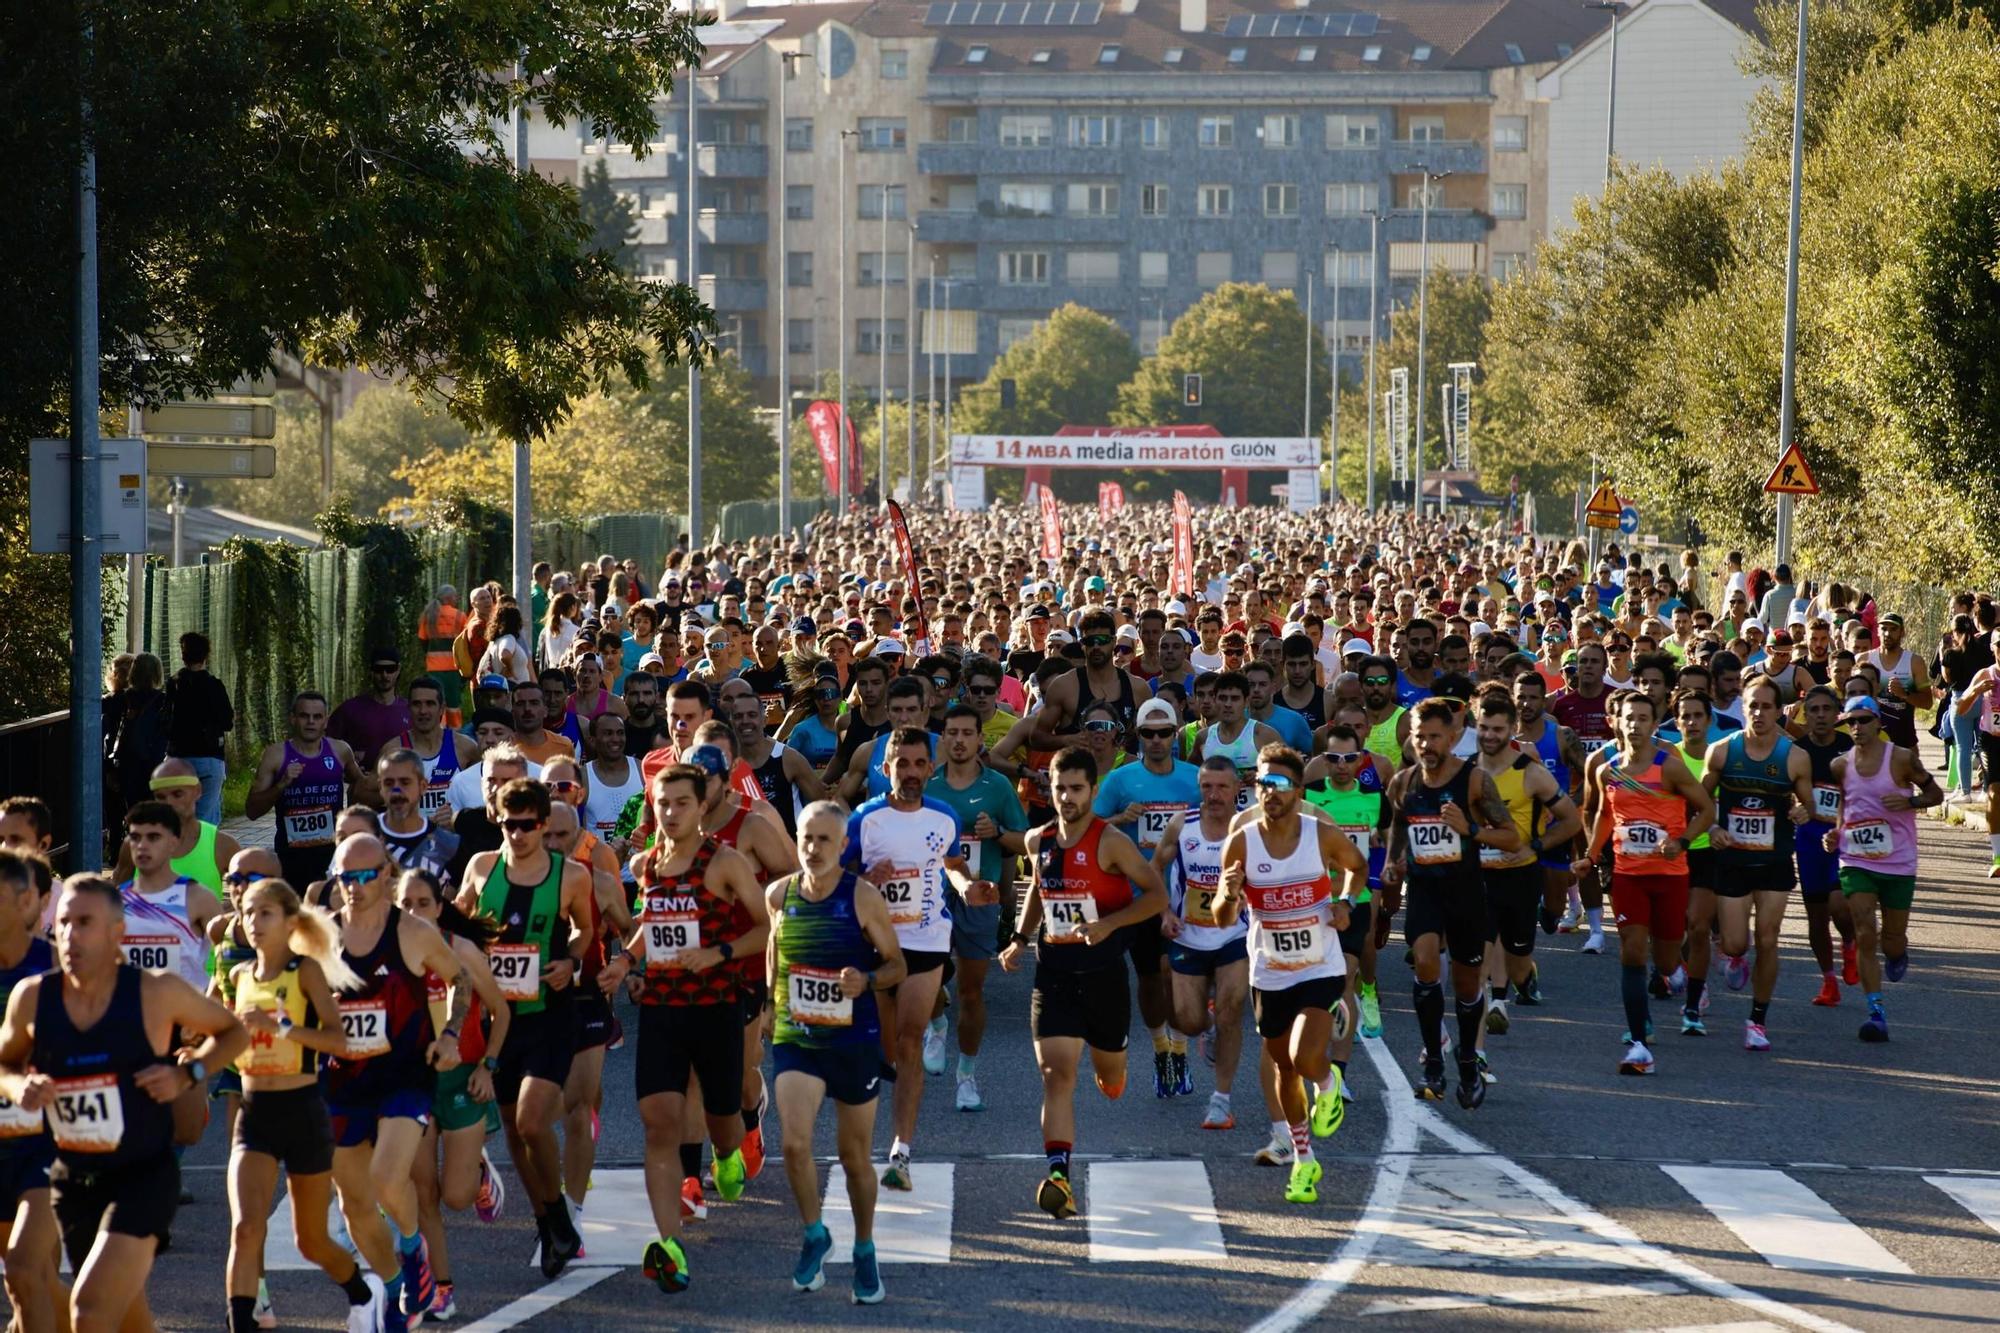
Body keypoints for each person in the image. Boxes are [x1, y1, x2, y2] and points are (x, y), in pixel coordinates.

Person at [0, 875, 248, 1333]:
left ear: (118, 933)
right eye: (65, 922)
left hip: (142, 1175)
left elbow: (233, 1031)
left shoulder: (156, 992)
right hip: (73, 1178)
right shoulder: (32, 997)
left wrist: (187, 1074)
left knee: (90, 1310)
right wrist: (19, 1087)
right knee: (125, 1315)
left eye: (85, 923)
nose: (70, 934)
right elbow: (6, 1062)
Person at [598, 763, 768, 1295]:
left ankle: (727, 1151)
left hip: (716, 1007)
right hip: (663, 1009)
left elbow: (765, 926)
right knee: (659, 1124)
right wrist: (626, 961)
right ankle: (669, 1243)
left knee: (721, 1120)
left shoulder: (725, 861)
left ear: (702, 806)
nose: (670, 812)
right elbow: (652, 924)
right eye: (662, 803)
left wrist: (719, 953)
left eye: (681, 803)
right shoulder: (648, 863)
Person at [999, 746, 1166, 1220]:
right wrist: (1019, 938)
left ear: (1093, 790)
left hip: (1104, 976)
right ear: (1048, 790)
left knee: (1110, 1078)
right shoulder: (1038, 840)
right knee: (1056, 1075)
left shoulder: (1111, 842)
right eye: (1060, 789)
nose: (1067, 797)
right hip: (1054, 972)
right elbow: (1039, 888)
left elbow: (1155, 896)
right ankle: (1059, 1177)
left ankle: (1112, 1067)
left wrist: (1110, 924)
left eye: (1076, 788)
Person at [320, 833, 479, 1325]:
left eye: (365, 876)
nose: (354, 886)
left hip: (404, 1077)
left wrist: (450, 1035)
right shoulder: (321, 936)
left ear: (386, 875)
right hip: (343, 1082)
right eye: (345, 877)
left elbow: (460, 979)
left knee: (388, 1178)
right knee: (353, 1205)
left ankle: (413, 1249)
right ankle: (394, 1288)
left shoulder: (412, 932)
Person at [221, 878, 382, 1333]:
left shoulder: (305, 972)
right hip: (253, 1114)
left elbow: (340, 1041)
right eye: (247, 913)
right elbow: (230, 1036)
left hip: (303, 1112)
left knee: (310, 1241)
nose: (254, 922)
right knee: (245, 1229)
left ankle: (363, 1293)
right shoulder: (238, 976)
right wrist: (197, 1053)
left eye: (265, 913)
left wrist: (284, 1029)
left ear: (290, 922)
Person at [454, 780, 595, 1280]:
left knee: (534, 1121)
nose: (518, 834)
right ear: (498, 821)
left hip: (550, 1015)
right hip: (498, 1021)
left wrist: (570, 961)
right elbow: (461, 923)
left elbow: (584, 930)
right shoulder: (482, 868)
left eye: (528, 826)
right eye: (509, 825)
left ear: (543, 824)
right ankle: (548, 1223)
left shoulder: (570, 875)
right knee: (514, 1131)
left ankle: (557, 1214)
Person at [1214, 744, 1365, 1202]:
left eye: (1279, 784)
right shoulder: (1241, 841)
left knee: (1303, 1056)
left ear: (1298, 790)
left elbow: (1357, 868)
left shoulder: (1321, 835)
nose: (1270, 792)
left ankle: (1328, 1082)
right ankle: (1303, 1159)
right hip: (1270, 971)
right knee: (1282, 1065)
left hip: (1320, 965)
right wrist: (1228, 893)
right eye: (1262, 782)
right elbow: (1222, 917)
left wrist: (1345, 902)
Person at [845, 728, 993, 1193]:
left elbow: (953, 865)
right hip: (876, 943)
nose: (910, 773)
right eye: (901, 764)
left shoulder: (944, 816)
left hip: (927, 940)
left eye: (918, 764)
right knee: (887, 1051)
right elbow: (835, 878)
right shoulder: (864, 820)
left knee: (910, 1043)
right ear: (885, 768)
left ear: (931, 767)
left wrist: (968, 889)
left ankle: (901, 1153)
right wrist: (866, 880)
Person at [769, 801, 903, 1304]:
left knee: (853, 1158)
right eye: (806, 837)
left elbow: (897, 965)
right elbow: (774, 949)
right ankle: (814, 1234)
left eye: (825, 839)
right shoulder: (779, 894)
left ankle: (864, 1247)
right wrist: (770, 1003)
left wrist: (865, 980)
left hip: (853, 1040)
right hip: (797, 1037)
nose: (813, 847)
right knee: (794, 1145)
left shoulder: (862, 897)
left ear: (844, 846)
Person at [1383, 699, 1522, 1106]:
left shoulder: (1475, 781)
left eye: (1435, 737)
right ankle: (1432, 1062)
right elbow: (1398, 826)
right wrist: (1393, 862)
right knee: (1425, 962)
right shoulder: (1403, 782)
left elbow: (1511, 838)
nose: (1426, 745)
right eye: (1419, 737)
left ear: (1454, 737)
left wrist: (1471, 829)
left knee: (1465, 985)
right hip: (1424, 891)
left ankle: (1467, 1060)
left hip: (1466, 893)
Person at [1572, 693, 1714, 1075]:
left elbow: (1706, 809)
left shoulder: (1671, 768)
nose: (1634, 724)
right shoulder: (1608, 770)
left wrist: (1682, 841)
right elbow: (1604, 814)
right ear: (1617, 722)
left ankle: (1676, 969)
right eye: (1628, 718)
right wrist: (1591, 855)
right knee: (1632, 951)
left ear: (1654, 725)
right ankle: (1639, 1044)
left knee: (1664, 961)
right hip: (1628, 875)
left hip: (1670, 875)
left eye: (1642, 718)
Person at [396, 868, 512, 1321]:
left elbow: (501, 1012)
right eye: (405, 905)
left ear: (440, 908)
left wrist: (489, 1066)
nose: (413, 913)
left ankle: (479, 1174)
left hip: (463, 1079)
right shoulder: (390, 953)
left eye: (422, 904)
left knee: (457, 1197)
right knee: (422, 1192)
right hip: (414, 1085)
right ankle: (441, 1288)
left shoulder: (460, 950)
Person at [1093, 696, 1199, 1098]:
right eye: (1149, 734)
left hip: (1187, 897)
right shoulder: (1120, 781)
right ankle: (1161, 1049)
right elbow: (1089, 827)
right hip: (1137, 898)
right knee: (1152, 980)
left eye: (1165, 733)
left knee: (1177, 977)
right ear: (1138, 735)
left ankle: (1181, 1051)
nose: (1157, 740)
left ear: (1175, 735)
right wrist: (1119, 819)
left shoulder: (1195, 778)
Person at [924, 704, 1028, 1113]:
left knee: (970, 991)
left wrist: (997, 832)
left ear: (980, 740)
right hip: (932, 896)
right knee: (928, 978)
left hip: (981, 895)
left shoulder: (998, 786)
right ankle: (936, 1025)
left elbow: (1025, 841)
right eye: (952, 733)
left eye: (968, 733)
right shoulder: (929, 784)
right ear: (944, 739)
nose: (960, 740)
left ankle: (966, 1076)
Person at [1702, 674, 1815, 1051]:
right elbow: (1699, 801)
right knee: (1735, 943)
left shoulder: (1794, 757)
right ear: (1743, 707)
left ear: (1779, 710)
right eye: (1752, 705)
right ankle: (1735, 956)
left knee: (1768, 938)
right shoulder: (1721, 751)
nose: (1759, 713)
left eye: (1767, 707)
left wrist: (1802, 811)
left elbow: (1809, 803)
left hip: (1774, 860)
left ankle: (1757, 1020)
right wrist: (1713, 827)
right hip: (1732, 859)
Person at [1823, 697, 1943, 1041]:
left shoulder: (1901, 758)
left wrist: (1910, 801)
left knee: (1892, 941)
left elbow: (1935, 794)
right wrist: (1836, 833)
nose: (1857, 727)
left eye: (1863, 720)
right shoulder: (1840, 765)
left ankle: (1897, 952)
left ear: (1878, 722)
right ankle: (1875, 1012)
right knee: (1864, 931)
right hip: (1856, 859)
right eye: (1851, 722)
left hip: (1898, 861)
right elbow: (1845, 805)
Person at [1471, 692, 1579, 1040]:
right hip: (1479, 874)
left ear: (1512, 729)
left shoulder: (1531, 773)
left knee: (1518, 959)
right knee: (1481, 949)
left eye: (1498, 729)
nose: (1490, 736)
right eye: (1484, 728)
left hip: (1521, 874)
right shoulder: (1467, 771)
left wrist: (1535, 845)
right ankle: (1481, 1034)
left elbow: (1571, 821)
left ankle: (1523, 975)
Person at [1160, 760, 1251, 1138]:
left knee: (1232, 1010)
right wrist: (1164, 911)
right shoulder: (1182, 826)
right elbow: (1153, 868)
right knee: (1188, 1021)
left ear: (1237, 789)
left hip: (1234, 935)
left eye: (1222, 787)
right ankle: (1206, 1026)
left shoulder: (1249, 828)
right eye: (1207, 787)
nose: (1214, 795)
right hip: (1189, 936)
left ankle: (1221, 1100)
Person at [0, 850, 65, 1333]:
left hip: (49, 1141)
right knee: (25, 1282)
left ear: (27, 902)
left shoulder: (59, 966)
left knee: (26, 1267)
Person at [247, 691, 370, 892]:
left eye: (317, 717)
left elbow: (362, 787)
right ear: (293, 719)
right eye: (304, 716)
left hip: (332, 854)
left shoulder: (340, 750)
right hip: (291, 857)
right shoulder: (276, 755)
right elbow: (252, 811)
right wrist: (281, 785)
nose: (311, 722)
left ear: (326, 721)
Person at [1792, 685, 1859, 1004]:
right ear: (1806, 715)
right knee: (1816, 916)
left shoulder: (1850, 748)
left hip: (1843, 836)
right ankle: (1829, 981)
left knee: (1839, 905)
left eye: (1826, 709)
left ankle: (1849, 943)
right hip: (1808, 840)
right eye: (1814, 710)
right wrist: (1794, 809)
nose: (1820, 715)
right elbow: (1785, 793)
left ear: (1837, 714)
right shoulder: (1797, 751)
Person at [111, 759, 241, 901]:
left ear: (198, 791)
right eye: (161, 797)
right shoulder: (135, 845)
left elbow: (252, 896)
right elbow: (113, 900)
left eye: (177, 794)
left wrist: (226, 910)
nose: (169, 803)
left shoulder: (222, 844)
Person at [166, 631, 234, 826]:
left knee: (178, 818)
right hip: (209, 757)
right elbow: (227, 722)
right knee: (206, 818)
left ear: (183, 656)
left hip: (177, 757)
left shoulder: (173, 684)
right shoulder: (214, 686)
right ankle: (203, 844)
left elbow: (166, 718)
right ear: (206, 656)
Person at [399, 677, 481, 823]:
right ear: (408, 707)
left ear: (442, 708)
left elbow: (482, 796)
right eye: (417, 704)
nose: (423, 711)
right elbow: (365, 794)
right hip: (410, 835)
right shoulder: (393, 751)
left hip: (454, 836)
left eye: (430, 704)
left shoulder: (466, 747)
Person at [105, 652, 172, 815]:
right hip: (155, 763)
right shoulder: (164, 700)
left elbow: (111, 732)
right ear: (157, 673)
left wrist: (110, 767)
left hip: (127, 763)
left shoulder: (121, 699)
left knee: (131, 810)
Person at [327, 649, 415, 771]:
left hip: (402, 779)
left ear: (398, 670)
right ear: (371, 671)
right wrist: (347, 763)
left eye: (390, 669)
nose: (384, 675)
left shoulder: (410, 710)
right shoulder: (350, 709)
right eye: (379, 669)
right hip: (360, 779)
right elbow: (326, 745)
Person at [419, 586, 468, 728]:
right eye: (455, 596)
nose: (457, 599)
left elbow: (423, 640)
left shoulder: (428, 616)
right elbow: (465, 643)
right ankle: (455, 733)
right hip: (454, 668)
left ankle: (437, 730)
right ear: (448, 598)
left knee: (436, 701)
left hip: (434, 668)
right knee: (453, 703)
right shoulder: (460, 616)